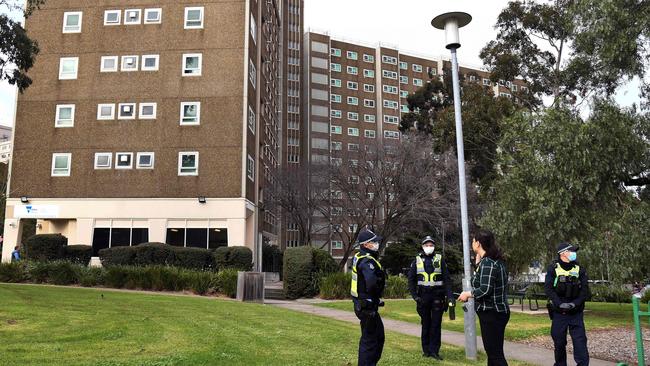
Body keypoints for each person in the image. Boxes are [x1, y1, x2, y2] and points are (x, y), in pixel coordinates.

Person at [458, 229, 510, 366]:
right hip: (495, 313)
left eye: (473, 241)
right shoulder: (491, 261)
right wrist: (478, 263)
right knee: (492, 353)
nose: (472, 243)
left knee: (495, 354)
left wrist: (467, 294)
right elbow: (478, 281)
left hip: (493, 313)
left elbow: (485, 289)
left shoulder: (488, 263)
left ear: (478, 243)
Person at [407, 235, 454, 360]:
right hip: (423, 297)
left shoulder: (440, 259)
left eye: (431, 245)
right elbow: (411, 280)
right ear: (423, 246)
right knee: (426, 323)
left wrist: (450, 297)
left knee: (436, 325)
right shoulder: (416, 260)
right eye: (427, 245)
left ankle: (434, 351)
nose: (429, 247)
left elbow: (447, 279)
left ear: (434, 246)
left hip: (438, 296)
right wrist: (415, 296)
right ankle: (426, 350)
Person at [544, 242, 590, 366]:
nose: (574, 253)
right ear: (563, 253)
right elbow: (548, 289)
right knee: (559, 343)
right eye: (571, 251)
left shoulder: (579, 269)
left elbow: (585, 290)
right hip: (559, 313)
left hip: (576, 312)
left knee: (580, 342)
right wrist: (559, 304)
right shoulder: (553, 268)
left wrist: (575, 304)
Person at [350, 228, 386, 366]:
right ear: (366, 245)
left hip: (364, 306)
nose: (376, 243)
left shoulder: (359, 257)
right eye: (374, 242)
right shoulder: (366, 261)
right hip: (367, 307)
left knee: (376, 337)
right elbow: (371, 283)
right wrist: (376, 296)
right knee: (371, 340)